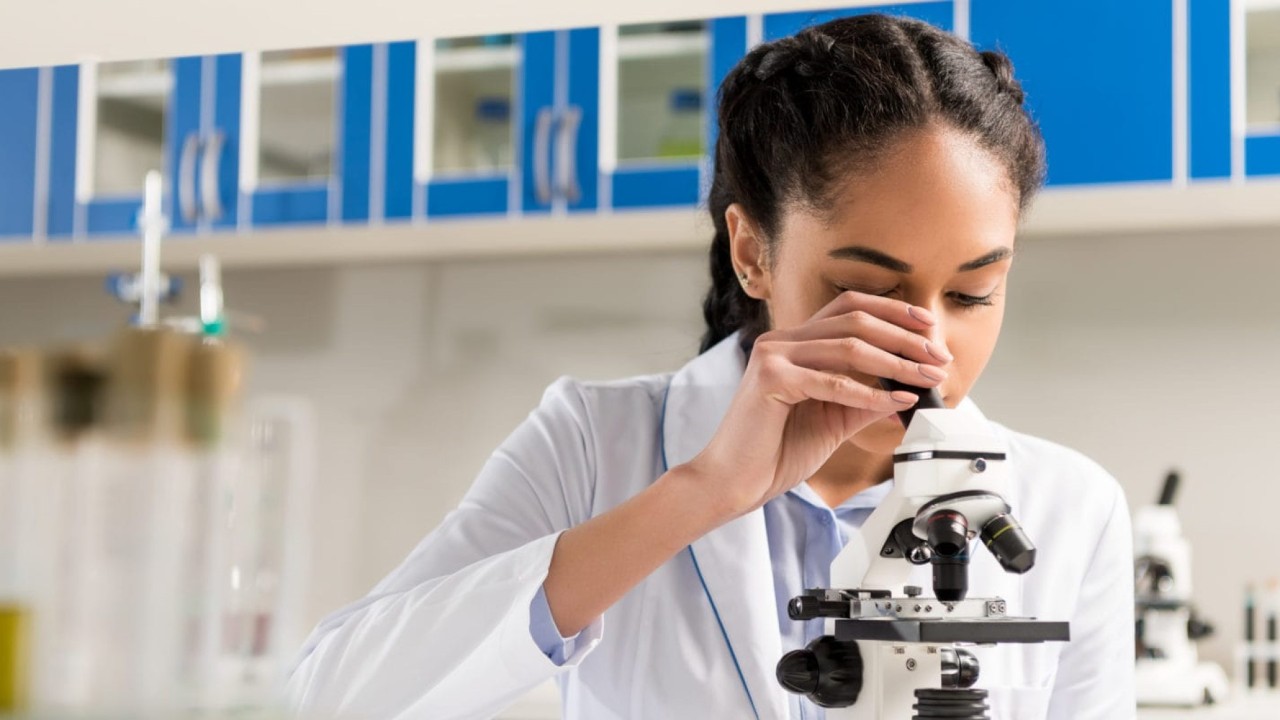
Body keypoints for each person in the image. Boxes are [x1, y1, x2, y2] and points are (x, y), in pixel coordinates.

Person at [286, 14, 1134, 720]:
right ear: (752, 252)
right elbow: (330, 698)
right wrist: (701, 492)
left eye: (973, 293)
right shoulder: (595, 443)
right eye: (869, 291)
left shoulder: (1071, 508)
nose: (929, 346)